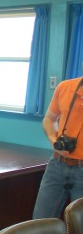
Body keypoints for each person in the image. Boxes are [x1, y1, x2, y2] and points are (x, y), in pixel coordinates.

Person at [32, 75, 83, 219]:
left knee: (79, 229)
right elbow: (49, 119)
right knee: (40, 222)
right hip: (57, 165)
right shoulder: (65, 87)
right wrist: (54, 141)